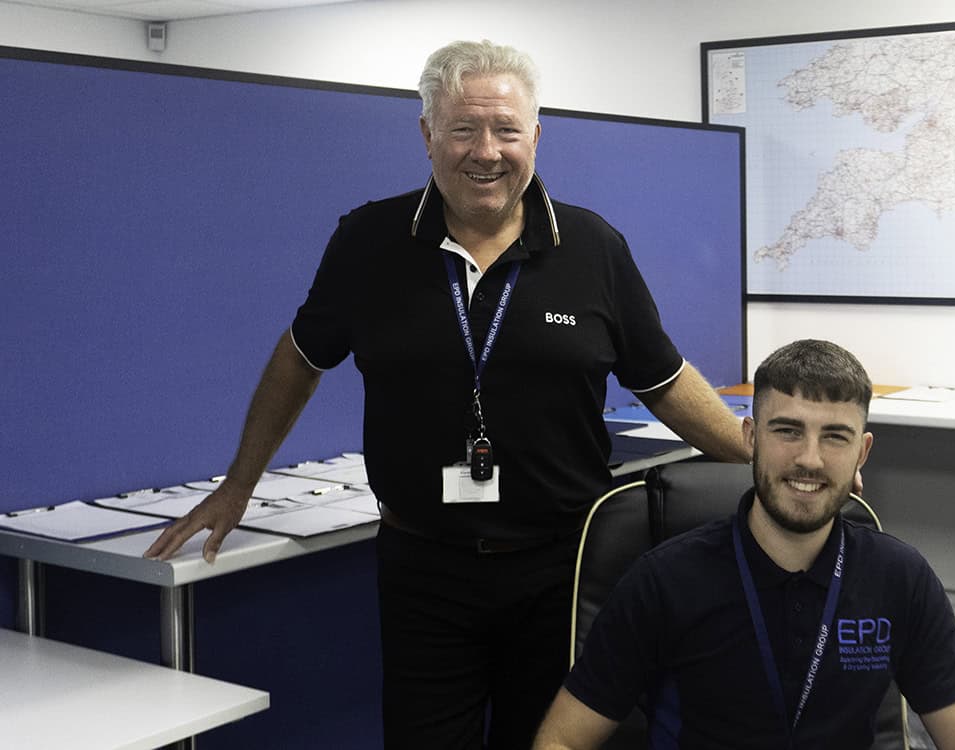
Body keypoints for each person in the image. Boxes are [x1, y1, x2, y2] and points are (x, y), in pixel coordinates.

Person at [144, 39, 748, 749]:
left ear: (536, 138)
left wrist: (753, 453)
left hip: (562, 565)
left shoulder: (593, 248)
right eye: (462, 129)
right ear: (428, 135)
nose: (485, 151)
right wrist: (238, 485)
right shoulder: (370, 241)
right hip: (423, 566)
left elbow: (663, 379)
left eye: (505, 130)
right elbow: (300, 357)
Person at [533, 339, 955, 750]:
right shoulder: (664, 580)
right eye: (788, 431)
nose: (809, 459)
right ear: (751, 438)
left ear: (862, 453)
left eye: (835, 437)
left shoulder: (902, 579)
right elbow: (562, 739)